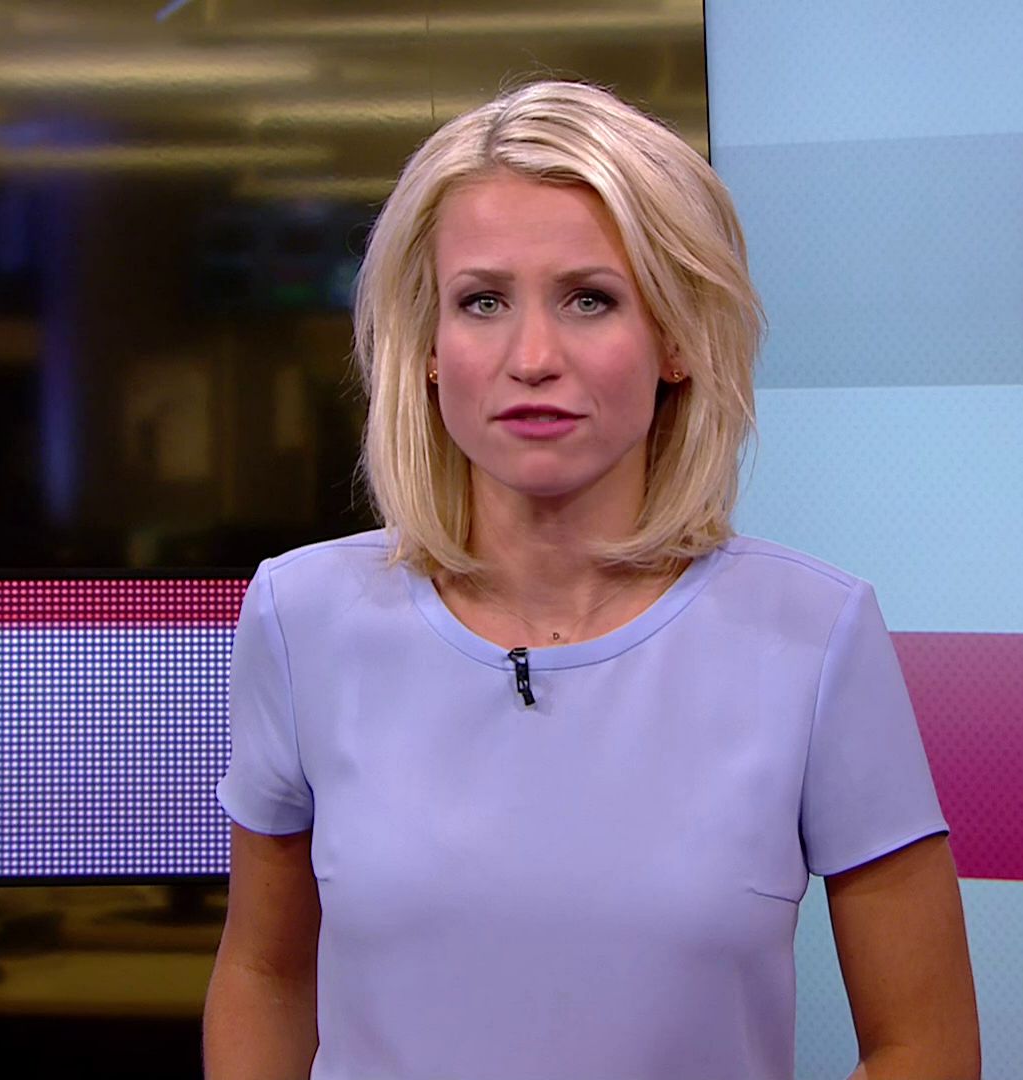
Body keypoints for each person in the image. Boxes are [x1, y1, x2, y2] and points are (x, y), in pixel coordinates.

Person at [203, 78, 979, 1080]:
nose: (532, 357)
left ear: (677, 339)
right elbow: (265, 974)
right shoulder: (301, 616)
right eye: (482, 302)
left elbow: (924, 1043)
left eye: (590, 299)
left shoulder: (814, 634)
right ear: (428, 348)